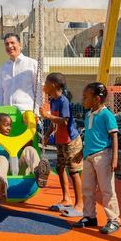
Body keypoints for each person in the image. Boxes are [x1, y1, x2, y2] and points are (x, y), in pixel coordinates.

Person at [72, 82, 121, 234]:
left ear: (97, 99)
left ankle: (114, 220)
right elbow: (90, 135)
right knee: (87, 188)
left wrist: (114, 159)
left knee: (107, 189)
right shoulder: (88, 115)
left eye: (86, 97)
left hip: (103, 156)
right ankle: (90, 217)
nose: (83, 100)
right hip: (88, 157)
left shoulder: (107, 115)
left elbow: (114, 137)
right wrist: (81, 153)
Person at [39, 73, 83, 216]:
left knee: (74, 172)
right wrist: (47, 134)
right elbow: (54, 122)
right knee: (59, 168)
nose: (44, 86)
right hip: (60, 140)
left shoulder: (63, 101)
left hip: (71, 141)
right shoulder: (52, 100)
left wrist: (47, 116)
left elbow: (64, 121)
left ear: (53, 85)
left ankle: (80, 205)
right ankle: (66, 199)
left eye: (46, 83)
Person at [0, 113, 50, 202]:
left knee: (29, 149)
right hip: (3, 170)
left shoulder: (12, 139)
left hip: (18, 166)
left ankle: (38, 171)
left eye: (10, 125)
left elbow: (29, 143)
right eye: (6, 125)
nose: (9, 128)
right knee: (1, 158)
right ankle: (1, 185)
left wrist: (31, 127)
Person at [0, 33, 40, 113]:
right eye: (7, 44)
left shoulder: (32, 64)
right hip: (7, 114)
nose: (9, 46)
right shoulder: (3, 68)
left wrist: (37, 112)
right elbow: (0, 92)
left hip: (26, 113)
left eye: (12, 43)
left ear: (20, 45)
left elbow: (38, 89)